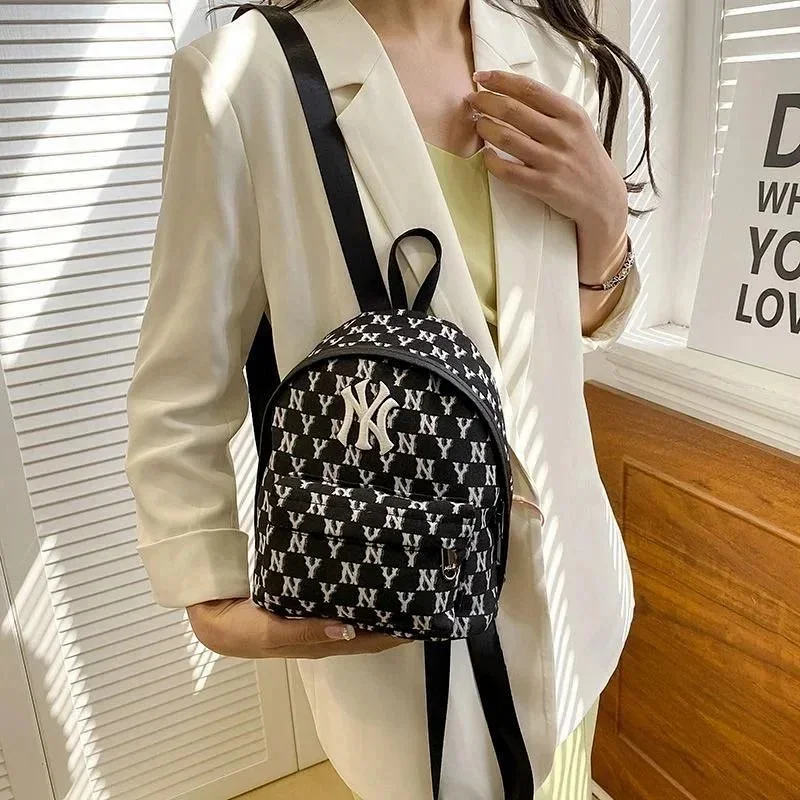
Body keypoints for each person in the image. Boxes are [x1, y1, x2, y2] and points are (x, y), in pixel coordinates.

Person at [124, 0, 654, 798]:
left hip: (575, 599)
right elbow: (182, 376)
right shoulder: (243, 79)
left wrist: (606, 221)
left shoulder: (558, 59)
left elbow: (569, 329)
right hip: (397, 613)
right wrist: (209, 589)